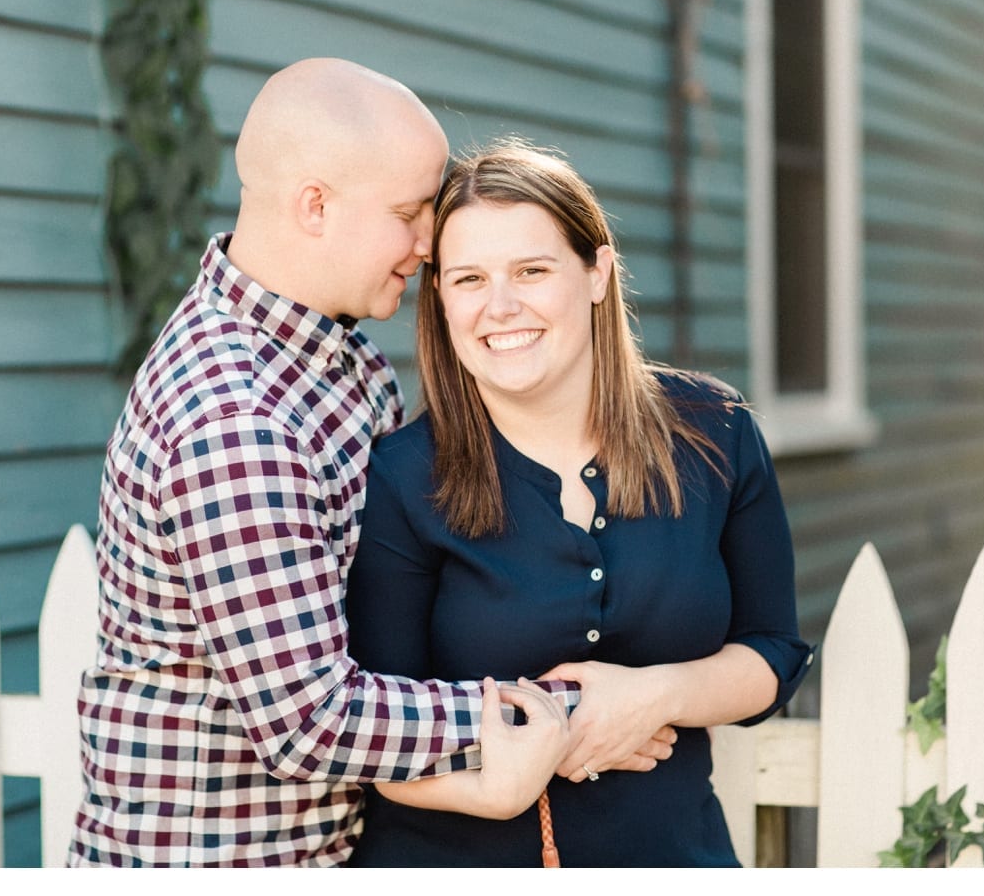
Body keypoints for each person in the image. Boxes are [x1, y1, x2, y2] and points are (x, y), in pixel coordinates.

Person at [68, 61, 658, 868]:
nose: (429, 245)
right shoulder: (238, 418)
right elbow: (309, 717)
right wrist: (560, 707)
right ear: (316, 205)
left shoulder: (333, 363)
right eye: (412, 213)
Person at [344, 140, 814, 867]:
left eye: (532, 270)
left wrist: (654, 695)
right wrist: (549, 740)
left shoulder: (714, 433)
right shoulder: (405, 479)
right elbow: (376, 736)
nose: (501, 306)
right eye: (468, 278)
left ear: (596, 272)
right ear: (440, 298)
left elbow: (773, 652)